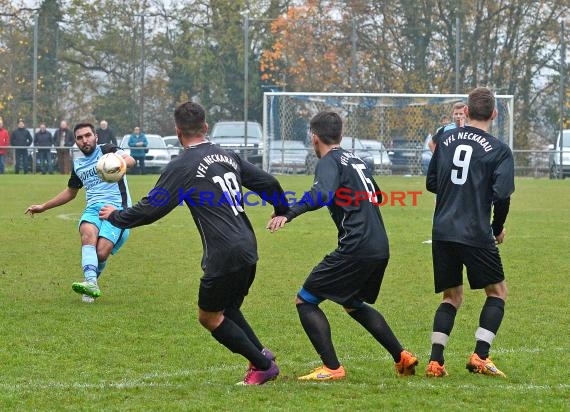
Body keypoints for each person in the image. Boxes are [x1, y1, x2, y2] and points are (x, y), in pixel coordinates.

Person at [99, 102, 289, 385]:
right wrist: (281, 207)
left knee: (209, 317)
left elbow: (153, 208)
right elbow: (268, 182)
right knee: (228, 308)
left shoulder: (183, 166)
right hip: (247, 246)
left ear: (177, 132)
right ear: (205, 127)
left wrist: (116, 217)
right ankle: (261, 353)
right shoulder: (228, 155)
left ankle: (262, 366)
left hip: (224, 253)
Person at [267, 111, 418, 381]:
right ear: (340, 134)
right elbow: (378, 195)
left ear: (314, 137)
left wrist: (288, 213)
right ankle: (402, 356)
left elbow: (321, 194)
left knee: (305, 300)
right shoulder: (357, 160)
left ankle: (332, 368)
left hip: (356, 246)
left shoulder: (329, 161)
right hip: (379, 245)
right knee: (352, 302)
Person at [424, 87, 515, 378]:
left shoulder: (446, 139)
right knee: (497, 292)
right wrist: (497, 228)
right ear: (494, 114)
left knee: (451, 297)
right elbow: (502, 196)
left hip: (442, 230)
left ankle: (436, 362)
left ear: (468, 111)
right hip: (475, 231)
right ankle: (480, 355)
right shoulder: (499, 150)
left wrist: (456, 193)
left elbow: (432, 183)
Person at [25, 122, 135, 303]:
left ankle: (92, 281)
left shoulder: (108, 150)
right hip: (93, 208)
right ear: (76, 141)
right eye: (80, 138)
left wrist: (117, 163)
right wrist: (44, 206)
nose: (85, 140)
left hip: (117, 209)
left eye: (88, 135)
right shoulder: (78, 165)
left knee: (101, 253)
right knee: (87, 234)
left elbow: (130, 160)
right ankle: (90, 282)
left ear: (96, 137)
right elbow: (70, 192)